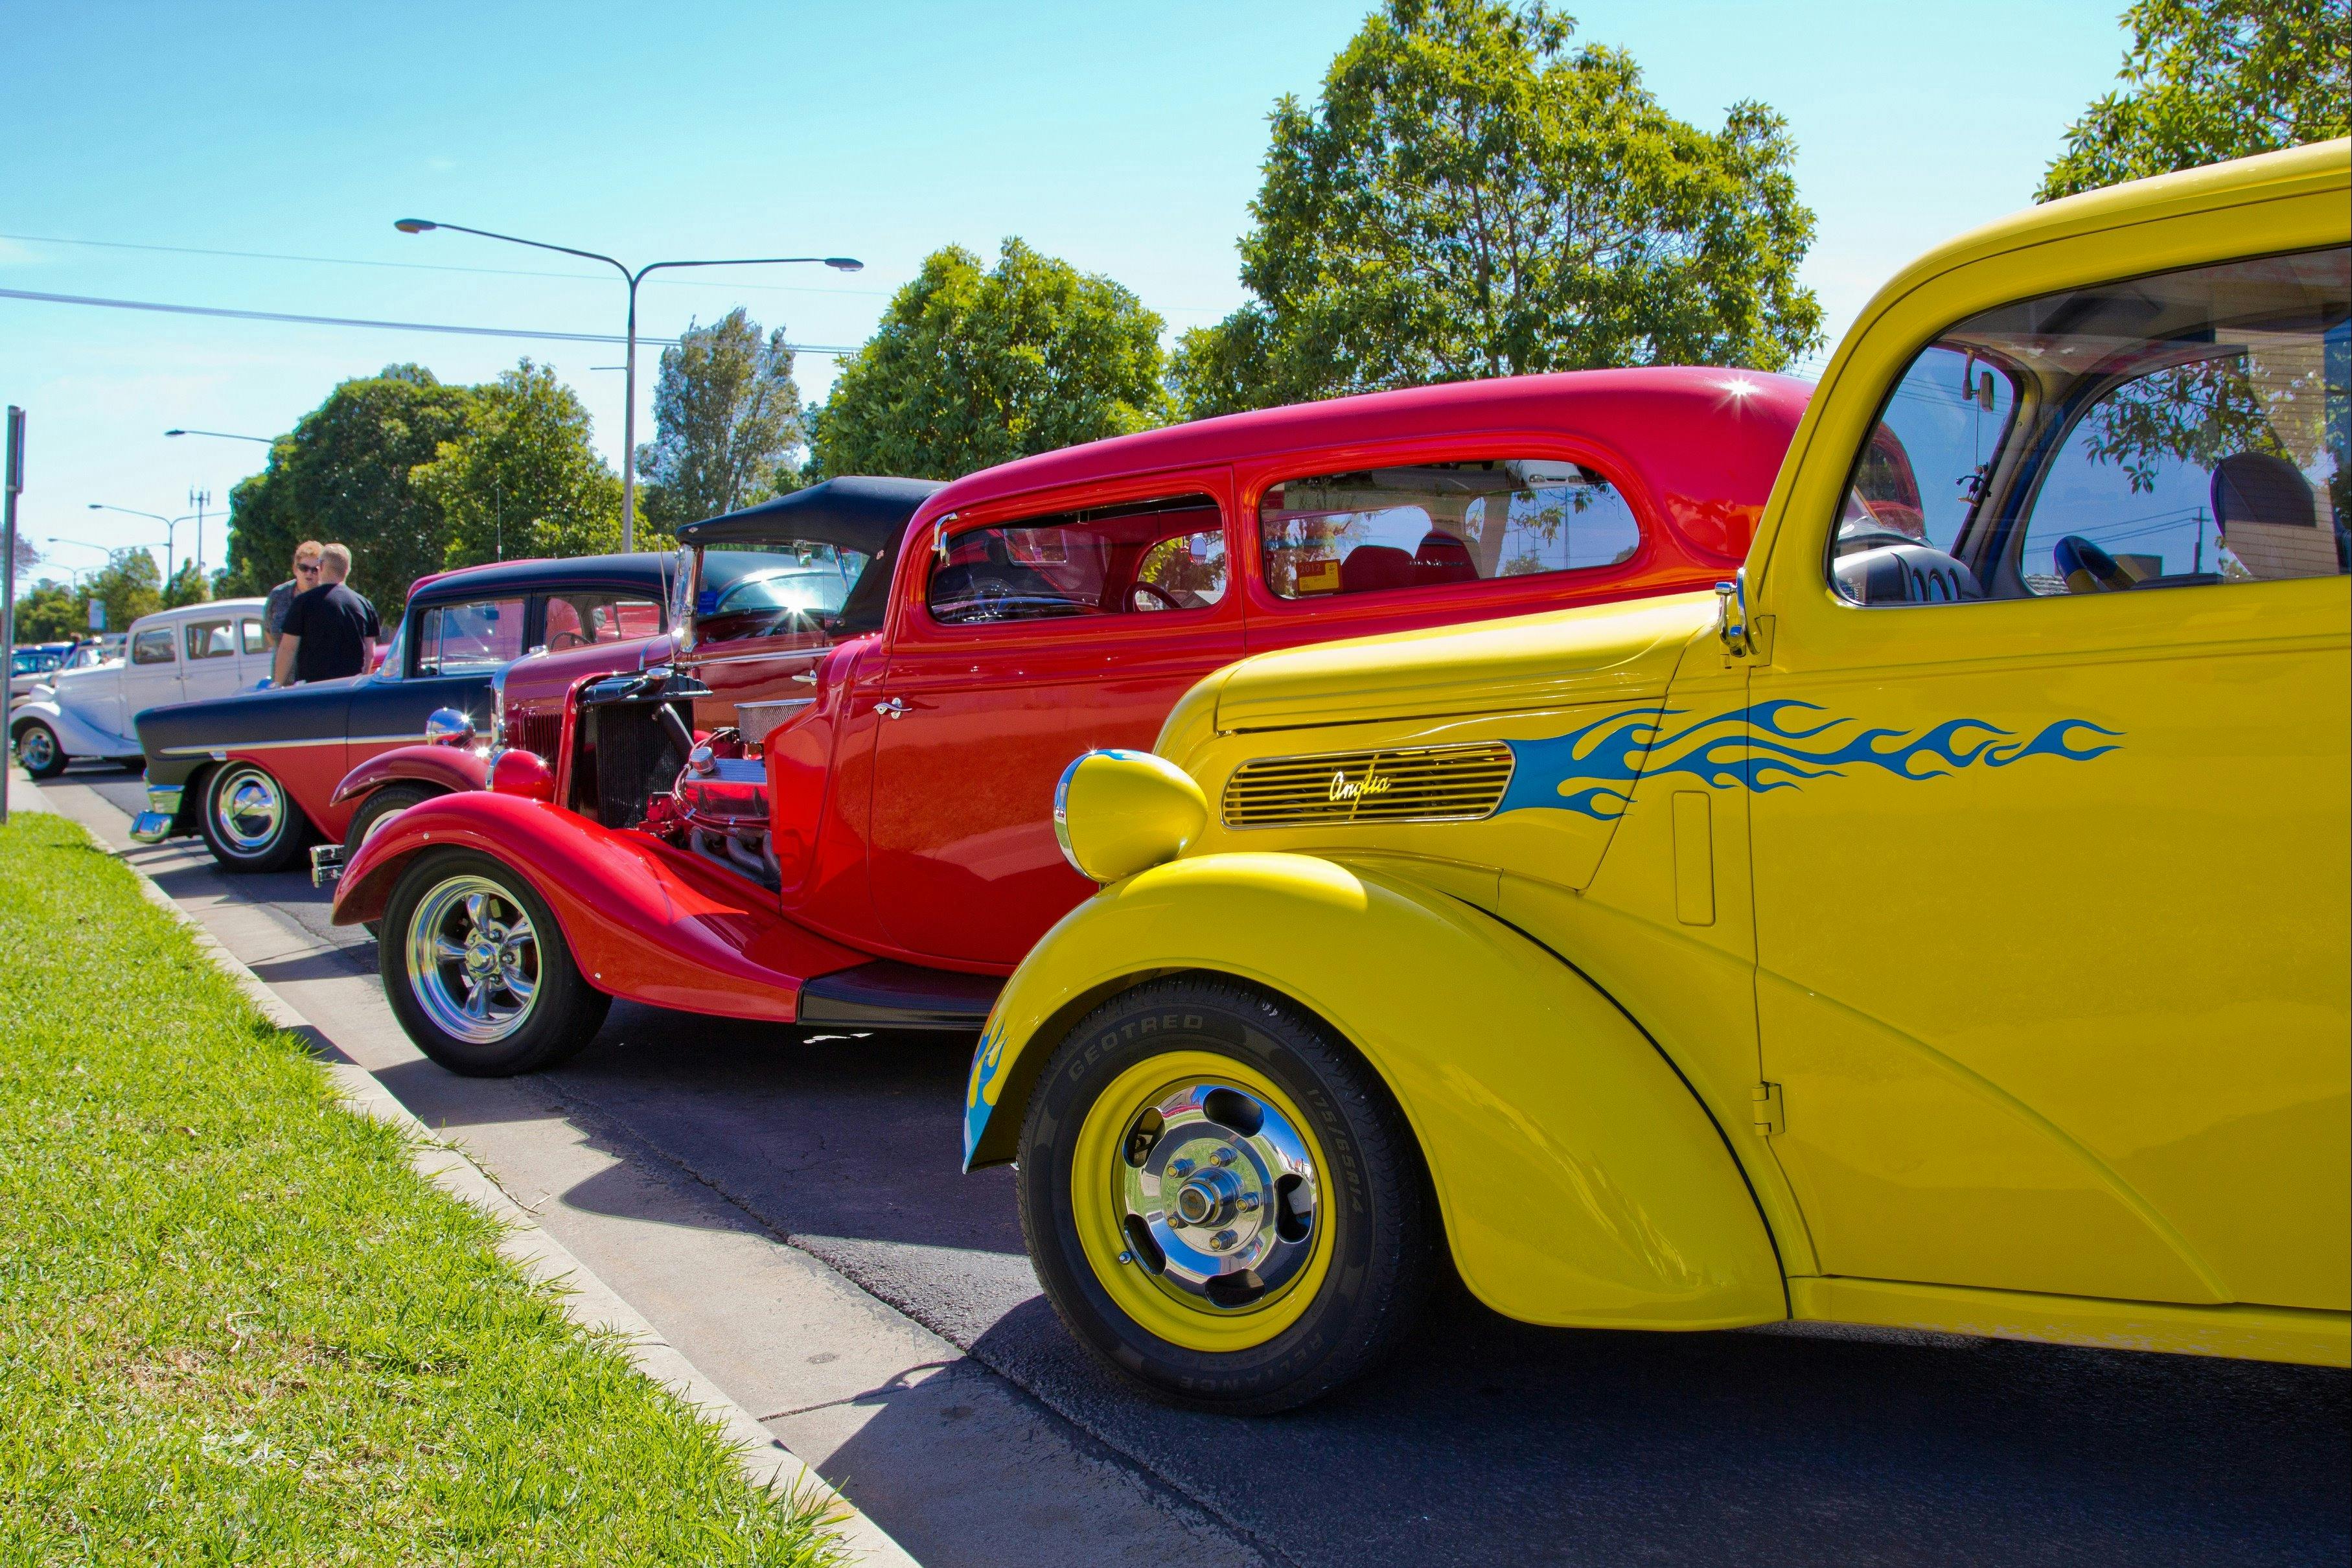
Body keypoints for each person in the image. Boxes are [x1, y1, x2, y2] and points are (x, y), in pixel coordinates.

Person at [273, 544, 380, 686]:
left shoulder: (303, 603)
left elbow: (288, 648)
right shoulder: (365, 605)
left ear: (321, 567)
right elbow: (370, 653)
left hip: (315, 691)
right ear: (347, 570)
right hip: (350, 690)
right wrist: (360, 683)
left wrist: (278, 684)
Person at [262, 540, 323, 649]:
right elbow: (269, 631)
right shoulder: (278, 595)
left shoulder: (327, 598)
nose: (309, 573)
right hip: (282, 663)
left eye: (315, 570)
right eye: (304, 568)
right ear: (295, 569)